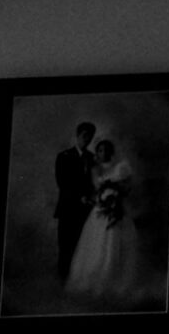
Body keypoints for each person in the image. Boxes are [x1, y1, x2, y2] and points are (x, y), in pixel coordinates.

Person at [65, 137, 134, 299]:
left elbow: (126, 188)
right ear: (97, 153)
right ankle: (95, 280)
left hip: (117, 208)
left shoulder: (121, 167)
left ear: (112, 152)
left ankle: (115, 281)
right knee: (98, 241)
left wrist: (117, 195)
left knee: (116, 241)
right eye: (100, 150)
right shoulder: (95, 169)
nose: (103, 153)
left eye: (106, 150)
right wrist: (99, 198)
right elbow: (96, 189)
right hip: (101, 209)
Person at [54, 121, 97, 280]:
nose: (87, 139)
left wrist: (93, 198)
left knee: (83, 246)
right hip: (68, 208)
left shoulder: (92, 158)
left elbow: (95, 182)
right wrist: (80, 197)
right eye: (85, 136)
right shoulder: (64, 156)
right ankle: (63, 280)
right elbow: (62, 183)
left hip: (86, 210)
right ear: (77, 136)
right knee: (66, 244)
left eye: (90, 137)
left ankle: (78, 280)